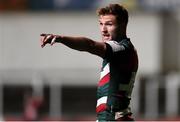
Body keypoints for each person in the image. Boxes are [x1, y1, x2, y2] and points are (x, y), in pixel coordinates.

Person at [40, 4, 138, 121]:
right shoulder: (124, 49)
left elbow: (89, 45)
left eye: (109, 24)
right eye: (101, 24)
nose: (103, 30)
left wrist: (61, 38)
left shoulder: (121, 48)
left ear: (123, 25)